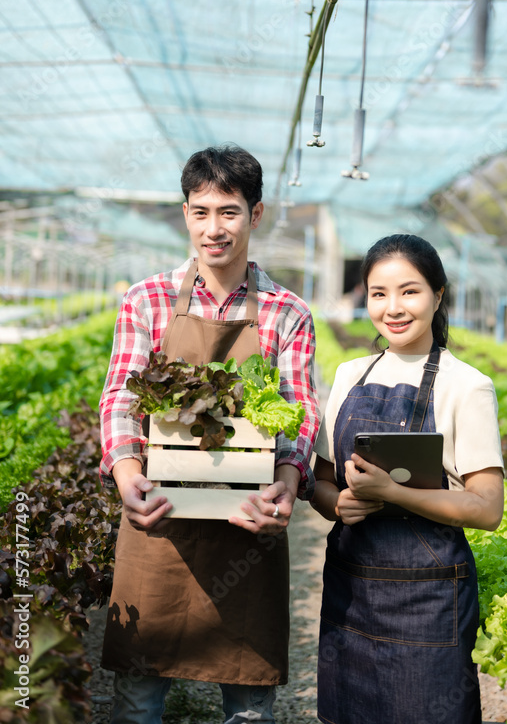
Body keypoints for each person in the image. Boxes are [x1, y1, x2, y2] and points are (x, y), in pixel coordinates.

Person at [99, 144, 319, 724]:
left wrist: (289, 481)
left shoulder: (286, 311)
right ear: (185, 213)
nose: (213, 228)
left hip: (247, 520)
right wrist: (126, 472)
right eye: (201, 211)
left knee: (248, 702)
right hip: (160, 516)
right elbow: (122, 396)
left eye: (229, 211)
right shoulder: (145, 299)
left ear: (257, 214)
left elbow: (299, 410)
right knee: (138, 698)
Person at [311, 234, 504, 724]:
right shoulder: (351, 374)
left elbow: (487, 508)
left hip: (427, 597)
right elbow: (321, 479)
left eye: (409, 291)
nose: (393, 308)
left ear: (438, 295)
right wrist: (336, 505)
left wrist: (392, 493)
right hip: (352, 590)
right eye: (379, 293)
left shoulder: (467, 385)